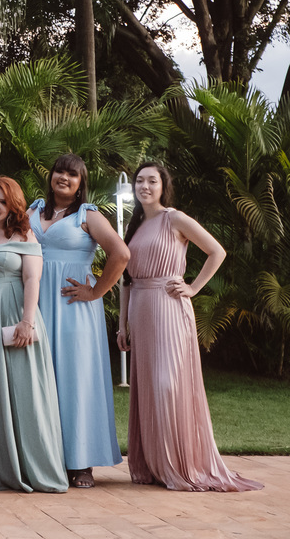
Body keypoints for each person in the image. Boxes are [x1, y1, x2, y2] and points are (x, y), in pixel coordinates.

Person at [118, 162, 262, 492]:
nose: (144, 186)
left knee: (168, 384)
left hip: (169, 308)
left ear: (162, 185)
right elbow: (126, 281)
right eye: (139, 181)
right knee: (149, 389)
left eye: (151, 180)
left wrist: (194, 288)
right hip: (140, 309)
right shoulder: (135, 225)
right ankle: (155, 465)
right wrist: (122, 325)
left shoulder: (174, 218)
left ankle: (179, 464)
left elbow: (217, 251)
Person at [0, 176, 67, 493]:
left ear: (13, 207)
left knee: (25, 392)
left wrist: (27, 321)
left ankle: (33, 467)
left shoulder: (24, 234)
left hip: (16, 321)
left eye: (3, 201)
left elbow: (33, 280)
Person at [28, 154, 129, 489]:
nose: (64, 178)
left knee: (75, 380)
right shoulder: (33, 211)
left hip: (73, 308)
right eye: (60, 171)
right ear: (51, 174)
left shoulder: (88, 215)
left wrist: (96, 290)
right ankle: (45, 456)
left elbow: (121, 253)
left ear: (81, 183)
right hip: (34, 304)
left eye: (73, 174)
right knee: (40, 380)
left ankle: (81, 462)